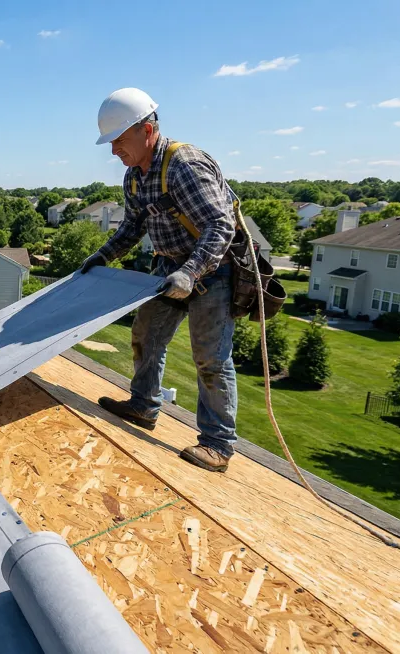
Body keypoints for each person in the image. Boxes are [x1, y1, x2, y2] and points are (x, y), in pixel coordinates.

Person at [80, 87, 239, 474]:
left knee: (210, 358)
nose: (114, 150)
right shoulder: (135, 177)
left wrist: (192, 270)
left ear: (147, 130)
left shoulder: (184, 164)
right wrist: (102, 256)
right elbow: (134, 226)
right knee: (146, 334)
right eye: (111, 142)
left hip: (212, 269)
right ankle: (143, 405)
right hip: (170, 269)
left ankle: (217, 444)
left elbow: (221, 224)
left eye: (119, 140)